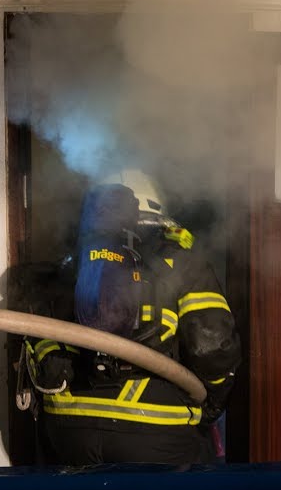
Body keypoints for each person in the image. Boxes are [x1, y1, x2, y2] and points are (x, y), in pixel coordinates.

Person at [24, 168, 242, 466]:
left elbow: (40, 329)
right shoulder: (181, 259)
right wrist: (212, 403)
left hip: (70, 428)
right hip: (157, 427)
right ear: (156, 207)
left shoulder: (77, 259)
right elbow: (212, 346)